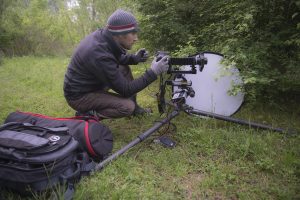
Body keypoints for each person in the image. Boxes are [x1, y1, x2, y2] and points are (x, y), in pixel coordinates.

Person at [63, 9, 169, 119]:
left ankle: (135, 109)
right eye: (132, 33)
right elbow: (126, 89)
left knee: (123, 68)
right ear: (119, 34)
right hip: (79, 96)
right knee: (127, 107)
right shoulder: (98, 53)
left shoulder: (105, 37)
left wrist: (134, 58)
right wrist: (153, 72)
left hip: (92, 84)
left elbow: (116, 58)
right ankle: (87, 115)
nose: (136, 38)